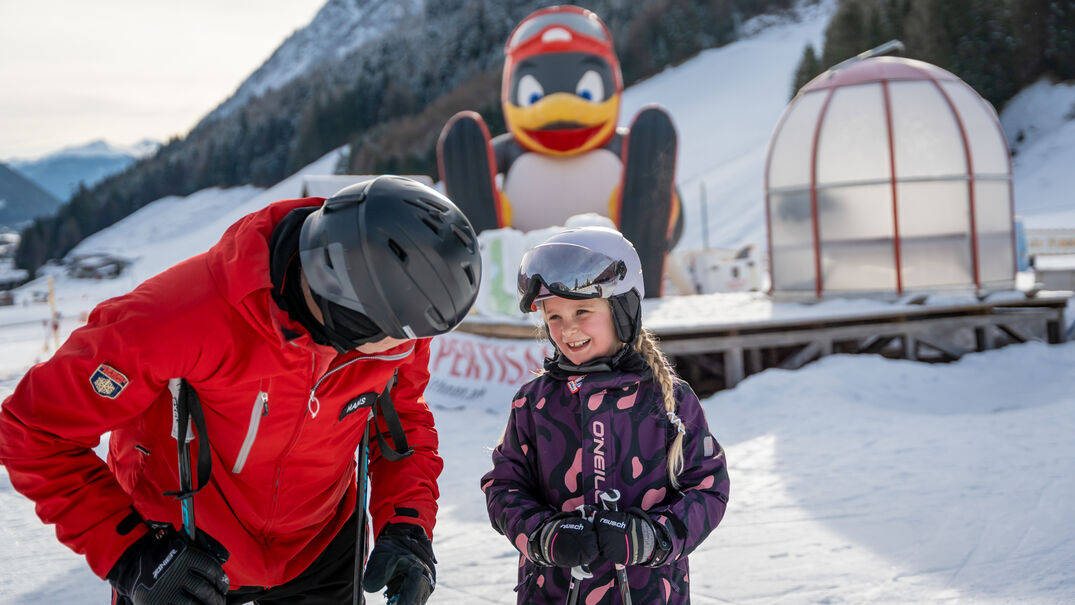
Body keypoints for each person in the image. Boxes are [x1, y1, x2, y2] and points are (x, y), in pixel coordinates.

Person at [0, 175, 482, 605]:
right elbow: (31, 432)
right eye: (402, 333)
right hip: (184, 557)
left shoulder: (395, 330)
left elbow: (404, 426)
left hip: (321, 545)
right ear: (349, 309)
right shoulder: (177, 317)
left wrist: (408, 525)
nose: (412, 346)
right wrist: (130, 552)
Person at [480, 226, 729, 604]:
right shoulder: (534, 403)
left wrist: (653, 536)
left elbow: (708, 486)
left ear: (623, 310)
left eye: (583, 311)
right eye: (555, 317)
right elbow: (503, 487)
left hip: (650, 594)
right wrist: (543, 535)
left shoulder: (667, 401)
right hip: (554, 594)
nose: (569, 329)